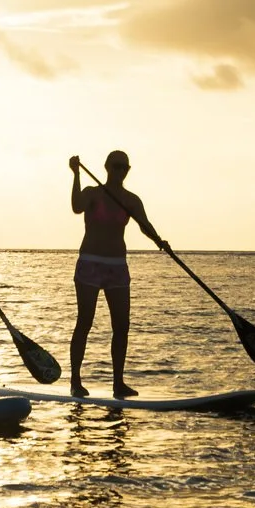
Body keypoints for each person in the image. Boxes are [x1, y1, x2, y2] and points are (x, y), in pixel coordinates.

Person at [68, 150, 161, 399]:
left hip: (117, 267)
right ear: (107, 167)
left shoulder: (131, 200)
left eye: (123, 167)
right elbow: (77, 207)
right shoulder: (93, 193)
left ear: (127, 171)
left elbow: (144, 224)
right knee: (85, 321)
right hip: (90, 263)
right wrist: (75, 174)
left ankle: (118, 384)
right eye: (115, 166)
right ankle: (75, 381)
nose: (119, 171)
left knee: (122, 325)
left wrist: (160, 241)